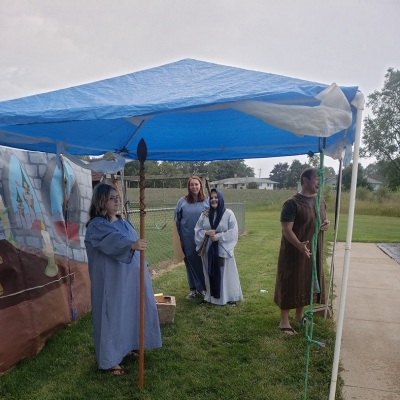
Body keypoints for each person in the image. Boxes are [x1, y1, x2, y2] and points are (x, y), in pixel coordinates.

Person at [85, 183, 162, 375]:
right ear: (101, 201)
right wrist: (133, 245)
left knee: (129, 312)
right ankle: (110, 360)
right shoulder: (97, 226)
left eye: (117, 197)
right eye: (112, 197)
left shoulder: (123, 221)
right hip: (111, 283)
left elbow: (131, 243)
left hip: (129, 279)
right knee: (112, 315)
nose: (117, 200)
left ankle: (126, 347)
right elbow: (113, 242)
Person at [274, 167, 330, 335]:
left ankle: (299, 316)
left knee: (306, 281)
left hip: (313, 249)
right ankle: (284, 321)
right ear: (304, 180)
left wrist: (326, 224)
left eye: (321, 179)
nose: (319, 182)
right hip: (294, 250)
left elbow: (323, 220)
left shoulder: (321, 200)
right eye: (316, 179)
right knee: (290, 281)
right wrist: (299, 245)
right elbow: (286, 229)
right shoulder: (292, 203)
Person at [194, 189, 243, 306]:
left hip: (223, 249)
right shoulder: (205, 214)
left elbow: (233, 232)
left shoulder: (228, 214)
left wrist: (219, 236)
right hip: (208, 250)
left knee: (225, 274)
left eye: (216, 197)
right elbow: (197, 229)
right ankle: (210, 297)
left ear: (220, 199)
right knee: (209, 273)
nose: (213, 200)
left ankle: (229, 297)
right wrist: (206, 233)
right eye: (211, 198)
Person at [175, 175, 209, 299]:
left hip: (203, 239)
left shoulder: (207, 201)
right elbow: (177, 221)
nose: (194, 187)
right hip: (187, 238)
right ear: (188, 187)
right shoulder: (182, 202)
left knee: (202, 262)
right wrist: (179, 239)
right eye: (191, 184)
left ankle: (204, 288)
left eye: (196, 184)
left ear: (201, 186)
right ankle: (193, 289)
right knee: (190, 263)